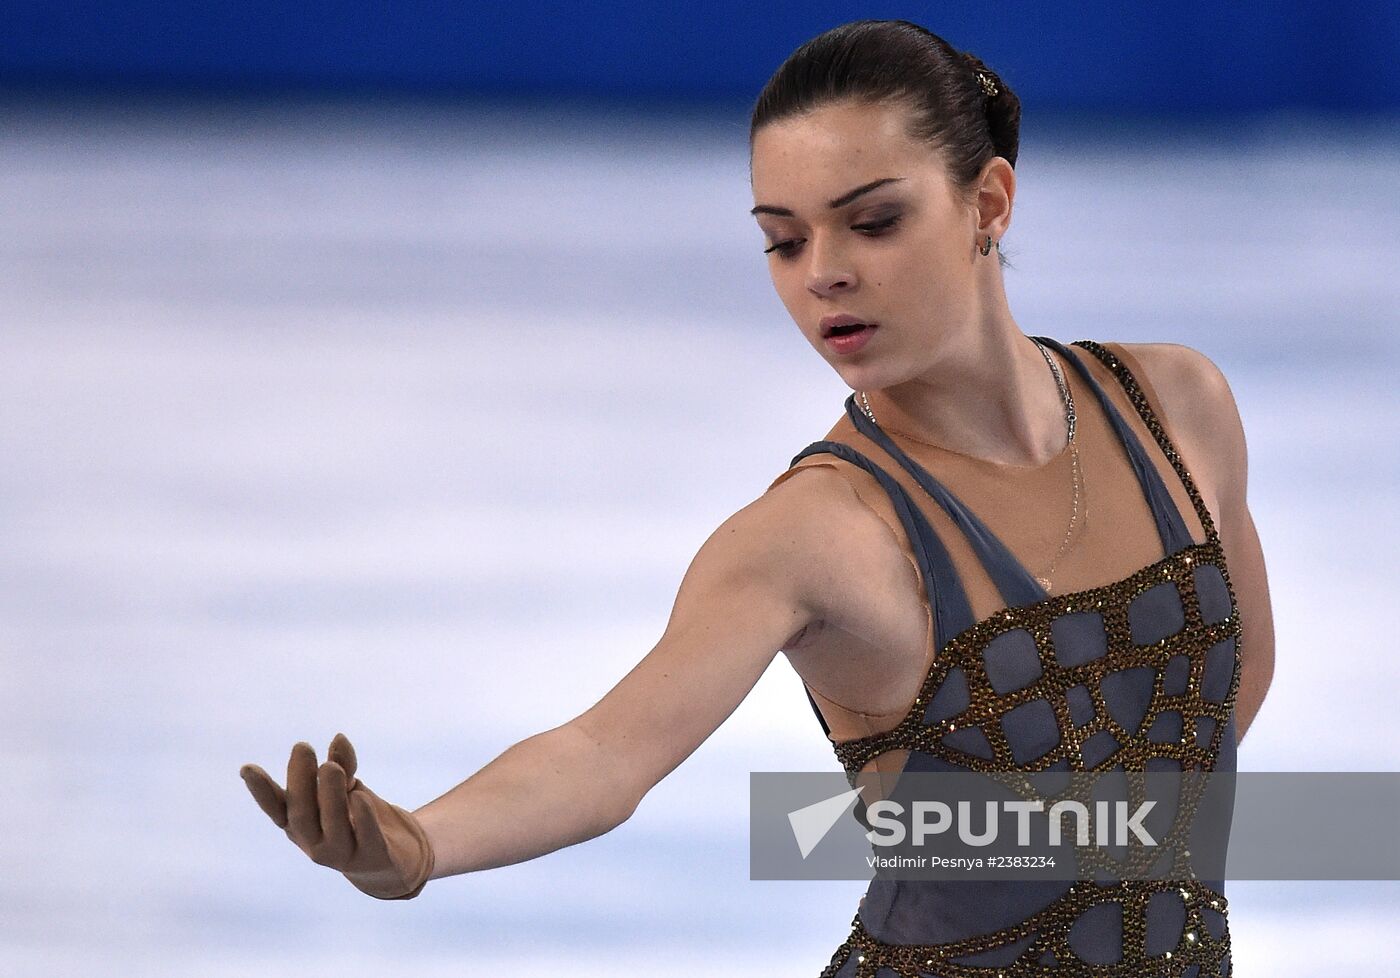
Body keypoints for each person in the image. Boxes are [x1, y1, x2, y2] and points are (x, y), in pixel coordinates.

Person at [239, 18, 1274, 976]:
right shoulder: (812, 534)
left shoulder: (1174, 406)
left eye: (870, 222)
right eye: (782, 240)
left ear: (986, 204)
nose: (821, 274)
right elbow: (604, 752)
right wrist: (419, 844)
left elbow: (1216, 692)